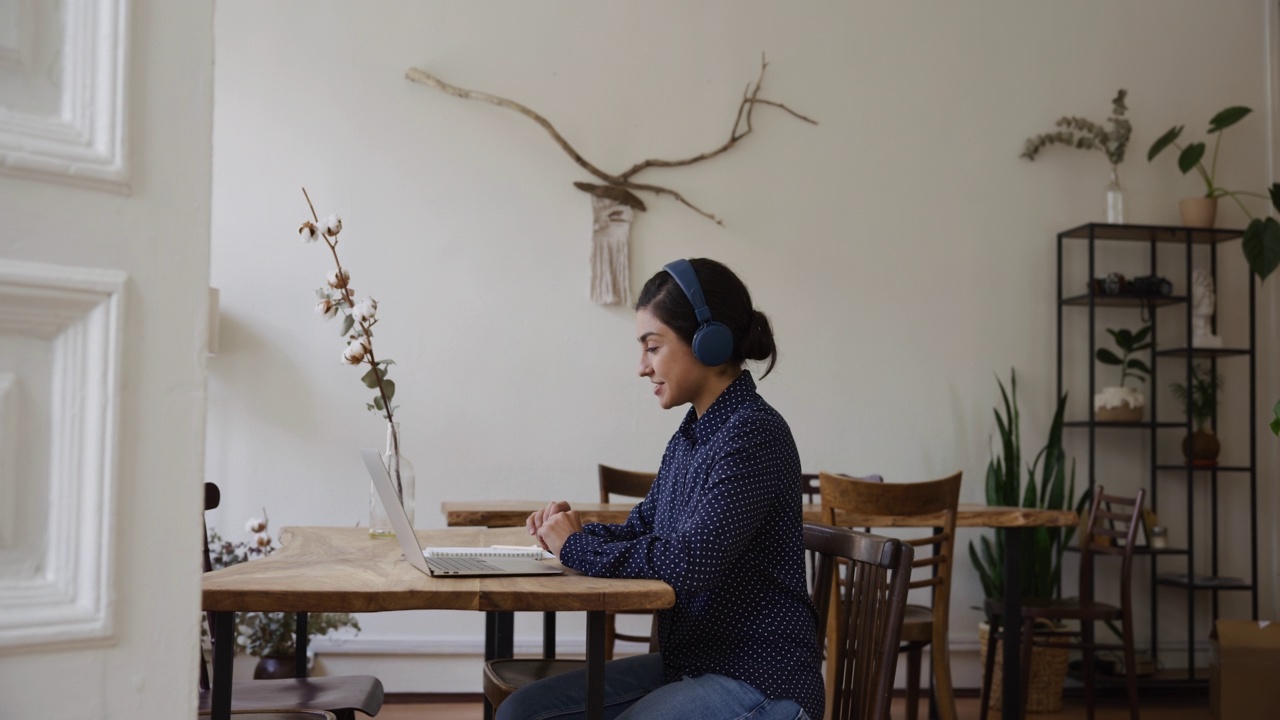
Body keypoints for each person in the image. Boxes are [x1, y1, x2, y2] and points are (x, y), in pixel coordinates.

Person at [498, 258, 823, 720]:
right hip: (692, 664)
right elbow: (643, 529)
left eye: (652, 347)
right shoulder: (691, 435)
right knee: (522, 711)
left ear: (708, 343)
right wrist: (569, 533)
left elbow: (692, 562)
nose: (641, 367)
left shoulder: (754, 434)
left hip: (760, 680)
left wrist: (576, 548)